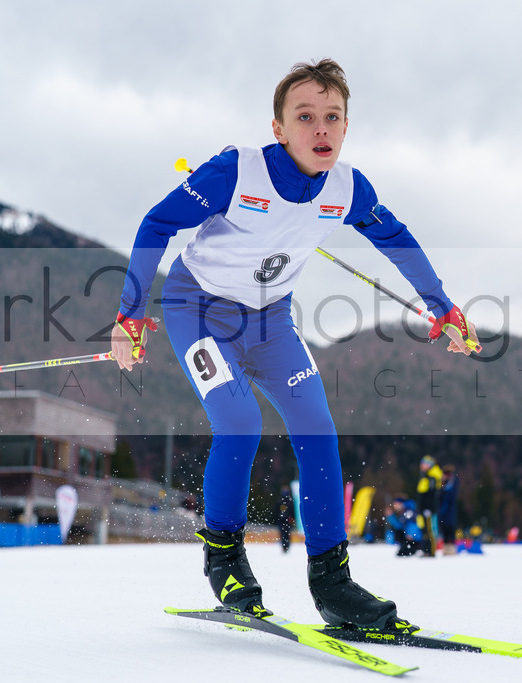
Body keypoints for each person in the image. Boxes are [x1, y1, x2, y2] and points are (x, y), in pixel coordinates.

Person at [111, 59, 479, 629]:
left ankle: (333, 583)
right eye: (305, 117)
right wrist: (129, 314)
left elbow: (396, 238)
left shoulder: (348, 189)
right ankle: (225, 561)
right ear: (279, 128)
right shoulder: (236, 172)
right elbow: (157, 223)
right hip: (197, 309)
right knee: (239, 422)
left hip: (270, 322)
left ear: (347, 126)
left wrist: (443, 307)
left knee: (317, 427)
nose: (321, 129)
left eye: (333, 117)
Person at [415, 455, 443, 557]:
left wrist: (428, 508)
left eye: (423, 464)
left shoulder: (432, 477)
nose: (421, 466)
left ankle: (430, 551)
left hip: (429, 508)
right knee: (425, 530)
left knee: (430, 530)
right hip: (424, 508)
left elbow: (432, 495)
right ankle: (426, 550)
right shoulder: (426, 475)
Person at [438, 465, 459, 555]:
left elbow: (452, 496)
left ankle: (451, 548)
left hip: (450, 511)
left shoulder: (453, 482)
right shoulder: (443, 483)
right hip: (443, 510)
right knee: (445, 529)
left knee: (450, 529)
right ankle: (446, 548)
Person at [276, 485, 295, 553]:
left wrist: (292, 519)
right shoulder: (279, 500)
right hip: (281, 520)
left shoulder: (290, 501)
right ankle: (284, 546)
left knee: (287, 534)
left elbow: (292, 511)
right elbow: (276, 510)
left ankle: (286, 546)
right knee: (282, 534)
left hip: (288, 520)